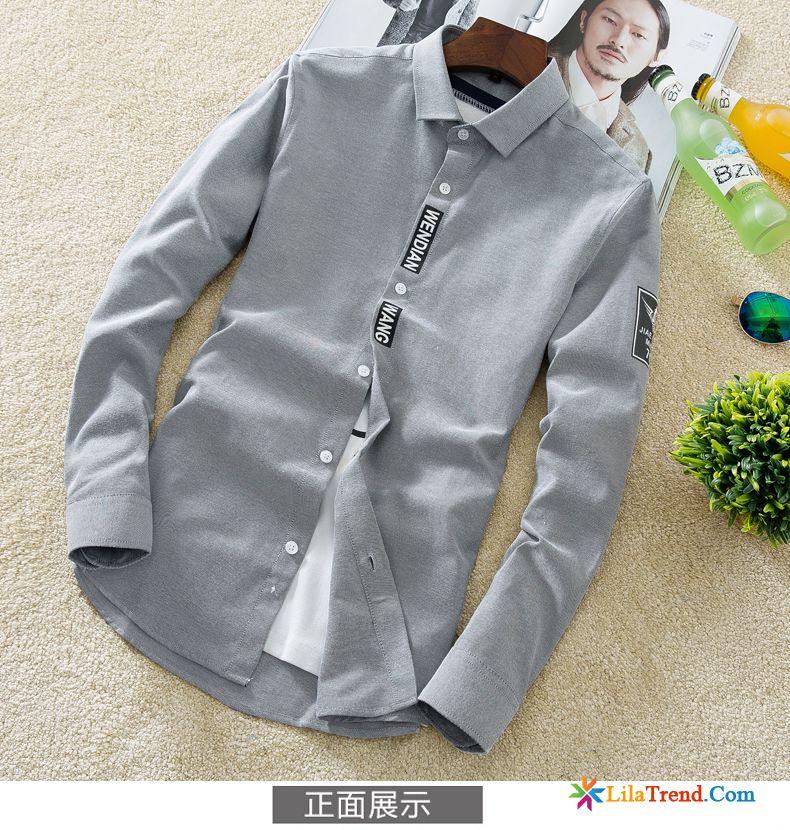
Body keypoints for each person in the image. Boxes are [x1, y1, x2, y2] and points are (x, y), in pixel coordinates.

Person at [549, 0, 671, 174]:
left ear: (657, 57)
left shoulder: (637, 152)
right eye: (610, 20)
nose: (618, 40)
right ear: (583, 20)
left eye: (638, 35)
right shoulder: (528, 64)